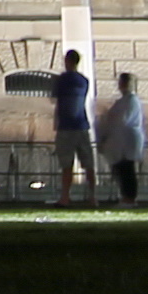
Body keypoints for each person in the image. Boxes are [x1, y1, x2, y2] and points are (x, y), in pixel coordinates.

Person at [95, 69, 148, 204]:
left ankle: (129, 197)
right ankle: (126, 196)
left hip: (126, 141)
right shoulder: (124, 101)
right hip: (121, 141)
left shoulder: (131, 101)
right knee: (122, 170)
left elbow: (120, 120)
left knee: (127, 170)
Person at [48, 50, 95, 201]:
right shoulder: (84, 81)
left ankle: (65, 197)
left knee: (67, 165)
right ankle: (93, 197)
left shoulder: (61, 79)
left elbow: (54, 99)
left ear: (67, 61)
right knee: (88, 164)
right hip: (82, 124)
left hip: (66, 127)